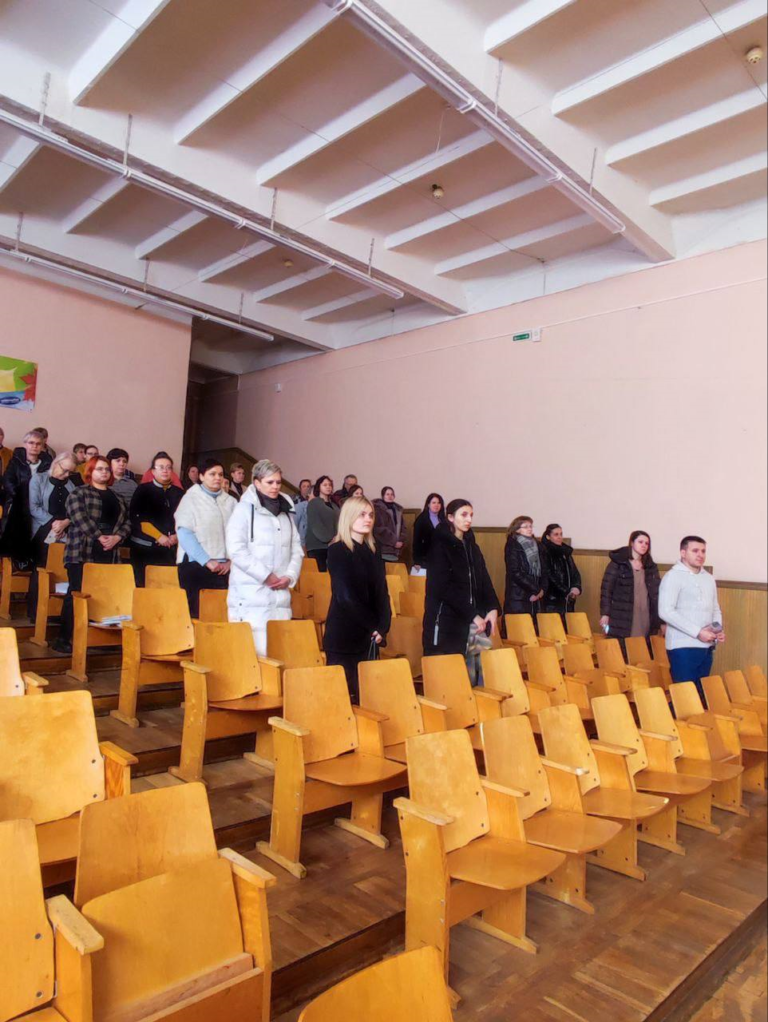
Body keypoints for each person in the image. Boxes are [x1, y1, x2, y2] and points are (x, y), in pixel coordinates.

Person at [226, 459, 303, 655]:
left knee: (278, 653)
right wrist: (265, 575)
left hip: (280, 594)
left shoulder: (286, 512)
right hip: (250, 593)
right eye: (270, 482)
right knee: (251, 654)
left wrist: (290, 576)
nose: (275, 486)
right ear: (257, 483)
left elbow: (296, 548)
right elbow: (236, 549)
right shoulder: (243, 509)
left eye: (278, 482)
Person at [54, 456, 130, 654]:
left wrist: (117, 537)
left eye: (106, 469)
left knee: (106, 595)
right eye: (99, 469)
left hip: (110, 550)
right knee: (76, 593)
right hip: (81, 551)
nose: (104, 472)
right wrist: (99, 536)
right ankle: (64, 638)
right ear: (90, 472)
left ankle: (101, 640)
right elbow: (79, 517)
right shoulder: (78, 493)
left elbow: (127, 522)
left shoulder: (118, 497)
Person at [324, 496, 391, 702]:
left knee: (367, 698)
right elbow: (345, 596)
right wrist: (373, 626)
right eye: (362, 515)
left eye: (370, 515)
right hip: (344, 635)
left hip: (369, 635)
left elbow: (382, 592)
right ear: (349, 516)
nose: (368, 519)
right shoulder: (337, 550)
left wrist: (383, 625)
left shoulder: (374, 550)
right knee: (341, 700)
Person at [423, 498, 499, 658]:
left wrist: (492, 607)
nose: (469, 519)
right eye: (464, 515)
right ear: (450, 517)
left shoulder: (472, 547)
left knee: (476, 669)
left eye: (471, 515)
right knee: (451, 670)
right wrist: (472, 614)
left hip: (473, 621)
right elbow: (443, 588)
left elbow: (484, 580)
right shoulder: (440, 545)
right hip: (446, 621)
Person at [659, 536, 725, 698]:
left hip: (706, 646)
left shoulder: (708, 578)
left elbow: (715, 608)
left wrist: (717, 630)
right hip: (682, 646)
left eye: (703, 551)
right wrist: (698, 632)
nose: (700, 554)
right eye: (695, 551)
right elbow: (666, 611)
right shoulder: (673, 576)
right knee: (685, 697)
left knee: (701, 695)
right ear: (683, 553)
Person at [174, 458, 237, 616]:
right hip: (196, 565)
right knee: (198, 615)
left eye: (220, 474)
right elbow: (184, 534)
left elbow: (238, 534)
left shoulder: (231, 502)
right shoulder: (190, 499)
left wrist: (231, 561)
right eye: (212, 474)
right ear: (201, 476)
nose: (217, 478)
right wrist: (206, 560)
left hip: (225, 568)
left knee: (222, 616)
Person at [27, 451, 80, 620]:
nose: (66, 475)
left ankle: (56, 612)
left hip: (65, 529)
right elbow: (34, 507)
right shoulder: (39, 479)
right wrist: (54, 523)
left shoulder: (71, 486)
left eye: (70, 472)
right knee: (42, 567)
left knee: (64, 568)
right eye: (65, 470)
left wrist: (65, 523)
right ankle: (36, 612)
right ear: (56, 463)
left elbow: (75, 511)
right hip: (43, 528)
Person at [128, 451, 184, 585]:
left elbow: (186, 519)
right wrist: (159, 536)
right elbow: (137, 518)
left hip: (171, 547)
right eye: (161, 467)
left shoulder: (179, 492)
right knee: (143, 586)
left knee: (167, 586)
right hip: (145, 547)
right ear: (153, 471)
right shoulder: (143, 490)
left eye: (168, 467)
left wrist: (177, 536)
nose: (165, 470)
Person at [599, 531, 661, 649]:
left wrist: (659, 620)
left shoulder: (650, 566)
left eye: (647, 543)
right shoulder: (618, 563)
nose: (644, 545)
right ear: (632, 543)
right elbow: (606, 590)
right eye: (640, 542)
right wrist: (605, 613)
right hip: (623, 613)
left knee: (642, 646)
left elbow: (656, 593)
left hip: (645, 612)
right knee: (623, 646)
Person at [0, 429, 53, 567]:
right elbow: (8, 480)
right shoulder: (16, 460)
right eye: (31, 443)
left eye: (38, 444)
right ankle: (17, 560)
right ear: (25, 444)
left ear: (42, 446)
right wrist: (21, 496)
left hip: (39, 503)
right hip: (17, 502)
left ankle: (34, 561)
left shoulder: (48, 463)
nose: (34, 446)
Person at [504, 516, 548, 618]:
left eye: (530, 526)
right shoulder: (513, 545)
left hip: (537, 596)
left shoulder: (538, 545)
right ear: (517, 529)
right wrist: (536, 589)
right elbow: (515, 572)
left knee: (535, 625)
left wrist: (542, 589)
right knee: (520, 626)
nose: (529, 529)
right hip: (519, 596)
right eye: (525, 527)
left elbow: (544, 570)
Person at [541, 523, 582, 617]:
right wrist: (566, 591)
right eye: (556, 534)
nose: (559, 537)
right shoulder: (545, 552)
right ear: (548, 537)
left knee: (568, 625)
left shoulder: (565, 552)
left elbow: (574, 572)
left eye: (561, 534)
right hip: (552, 600)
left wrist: (576, 587)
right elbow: (549, 575)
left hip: (568, 598)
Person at [305, 475, 339, 570]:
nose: (328, 487)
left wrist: (336, 538)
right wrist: (329, 539)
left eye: (330, 485)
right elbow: (316, 525)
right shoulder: (314, 503)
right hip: (318, 545)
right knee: (321, 574)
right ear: (318, 487)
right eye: (325, 485)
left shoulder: (334, 505)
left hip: (333, 545)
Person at [412, 492, 445, 571]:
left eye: (439, 503)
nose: (436, 505)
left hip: (441, 558)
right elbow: (417, 541)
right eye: (434, 503)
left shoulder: (444, 519)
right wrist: (417, 561)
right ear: (428, 504)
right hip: (425, 558)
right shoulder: (421, 519)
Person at [372, 486, 406, 562]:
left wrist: (401, 540)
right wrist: (393, 541)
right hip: (384, 549)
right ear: (383, 496)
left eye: (392, 494)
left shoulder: (398, 510)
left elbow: (403, 527)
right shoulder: (378, 510)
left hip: (397, 549)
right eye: (387, 494)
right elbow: (378, 529)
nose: (390, 496)